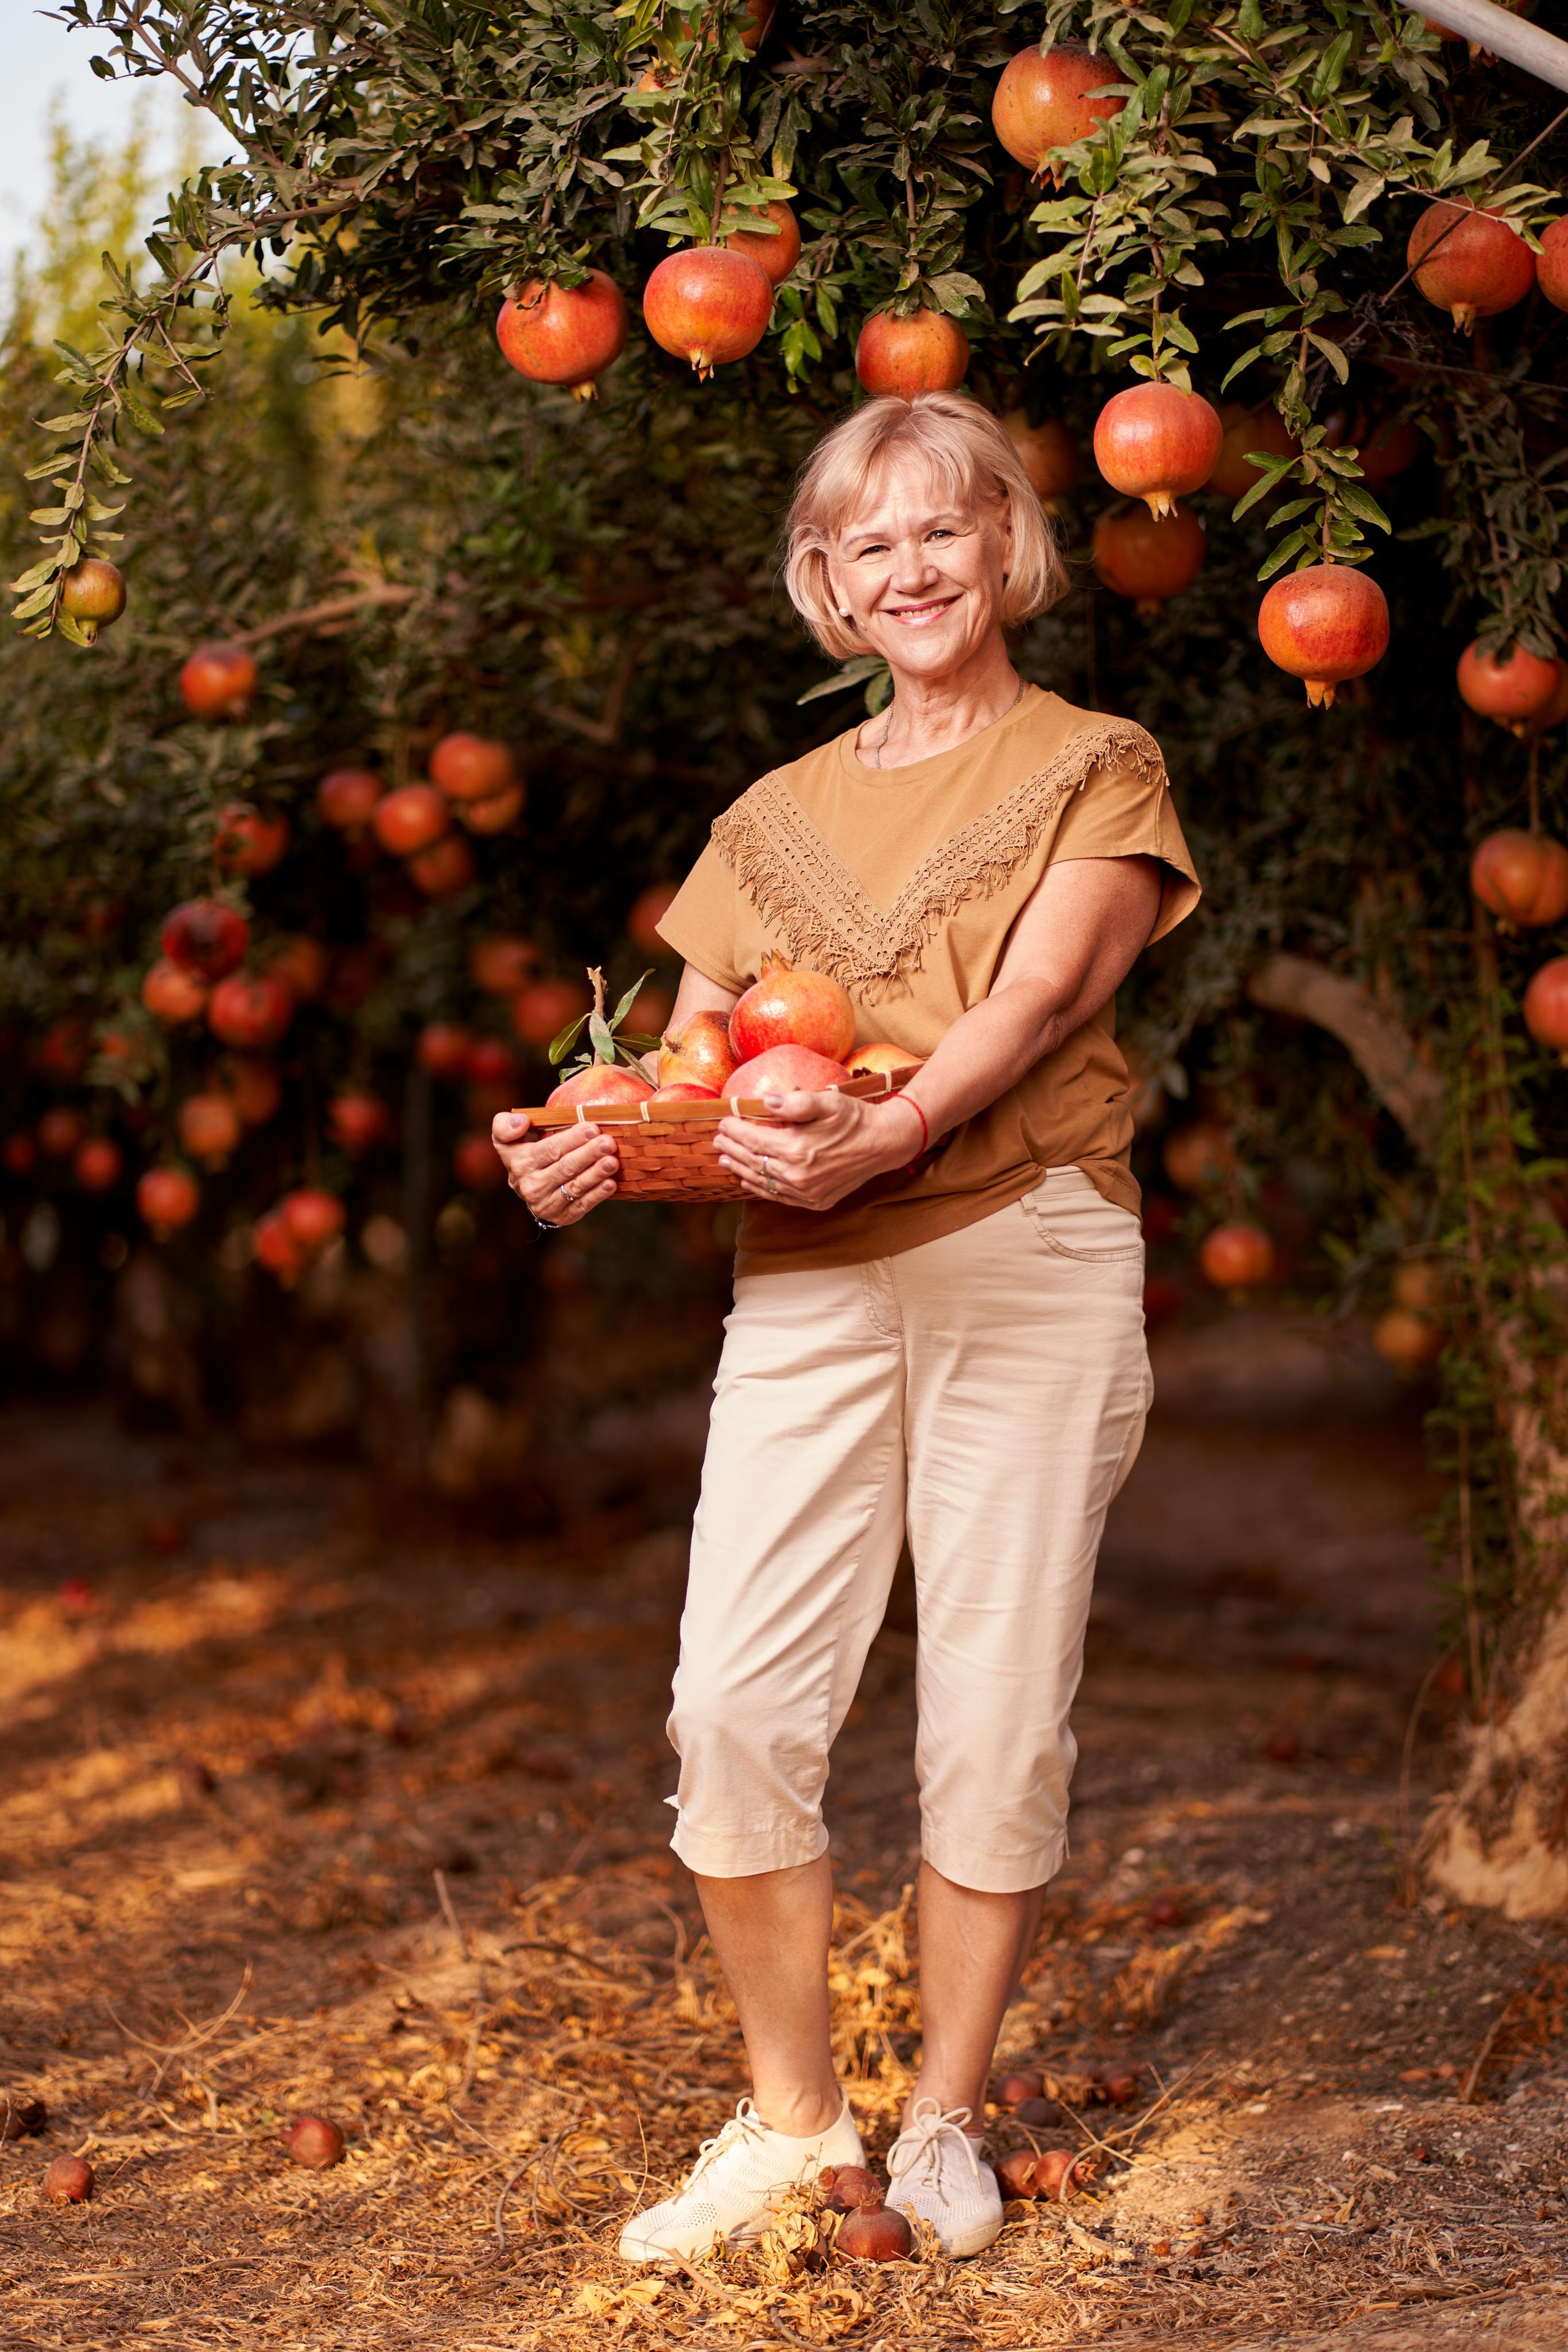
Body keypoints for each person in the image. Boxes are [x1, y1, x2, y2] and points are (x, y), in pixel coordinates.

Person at [491, 391, 1200, 2264]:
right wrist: (588, 1146)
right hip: (805, 1281)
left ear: (1005, 552)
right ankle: (797, 2128)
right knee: (729, 1706)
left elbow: (1041, 1000)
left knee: (993, 1719)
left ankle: (949, 2121)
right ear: (826, 580)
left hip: (1025, 1254)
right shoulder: (771, 818)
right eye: (866, 543)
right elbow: (682, 1063)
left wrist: (881, 1128)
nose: (908, 568)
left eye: (942, 531)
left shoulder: (1093, 763)